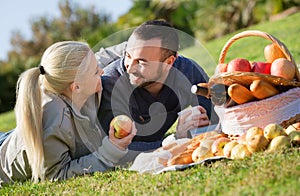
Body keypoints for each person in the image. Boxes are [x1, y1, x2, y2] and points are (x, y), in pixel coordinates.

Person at [0, 41, 136, 186]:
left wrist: (140, 43)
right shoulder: (54, 122)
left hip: (9, 137)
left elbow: (106, 56)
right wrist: (111, 150)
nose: (102, 71)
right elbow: (57, 174)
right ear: (76, 87)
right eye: (96, 71)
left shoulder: (78, 77)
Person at [96, 19, 218, 164]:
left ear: (168, 62)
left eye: (141, 62)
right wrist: (175, 140)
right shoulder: (110, 83)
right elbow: (121, 150)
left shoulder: (187, 71)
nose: (129, 68)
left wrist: (199, 123)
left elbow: (217, 114)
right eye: (128, 56)